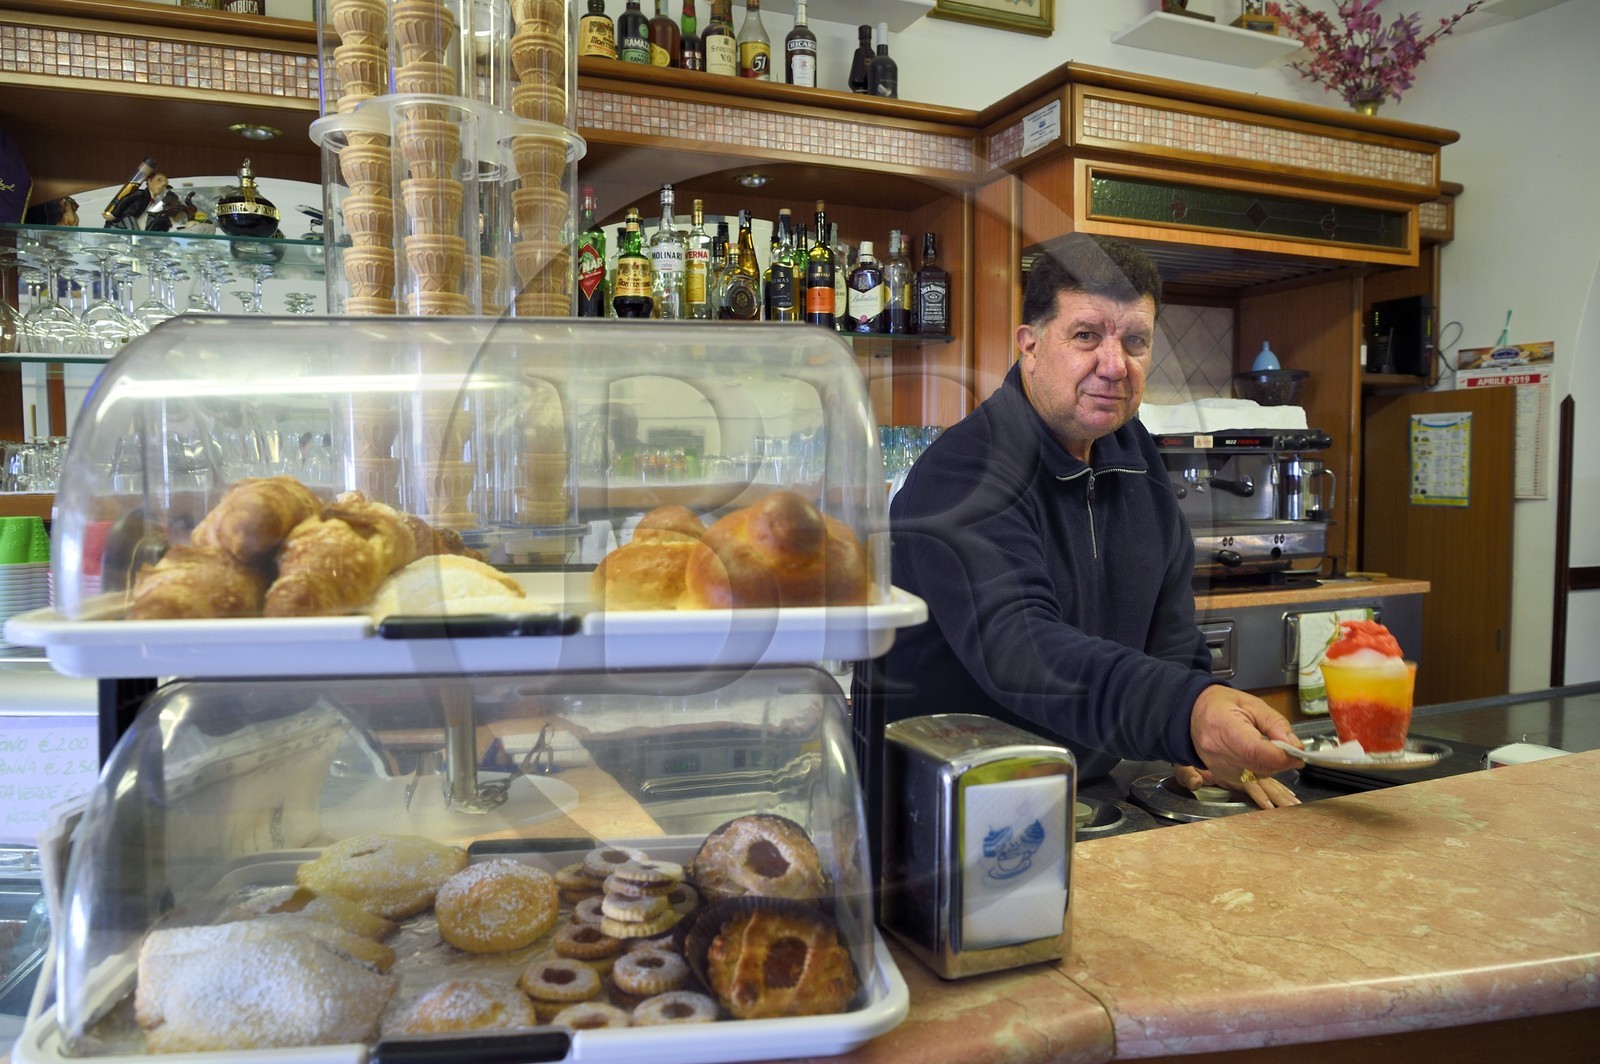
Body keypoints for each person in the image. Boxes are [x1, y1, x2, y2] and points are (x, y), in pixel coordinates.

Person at [871, 233, 1301, 809]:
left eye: (1136, 341)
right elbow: (1023, 651)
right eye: (1086, 337)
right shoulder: (967, 470)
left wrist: (1189, 743)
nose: (1115, 365)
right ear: (1030, 344)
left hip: (1081, 797)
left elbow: (1169, 636)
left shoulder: (1134, 457)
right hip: (948, 807)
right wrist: (1184, 713)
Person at [106, 172, 183, 231]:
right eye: (159, 180)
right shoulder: (140, 194)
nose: (163, 183)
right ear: (149, 181)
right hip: (117, 228)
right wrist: (113, 214)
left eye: (165, 182)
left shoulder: (152, 200)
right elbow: (125, 203)